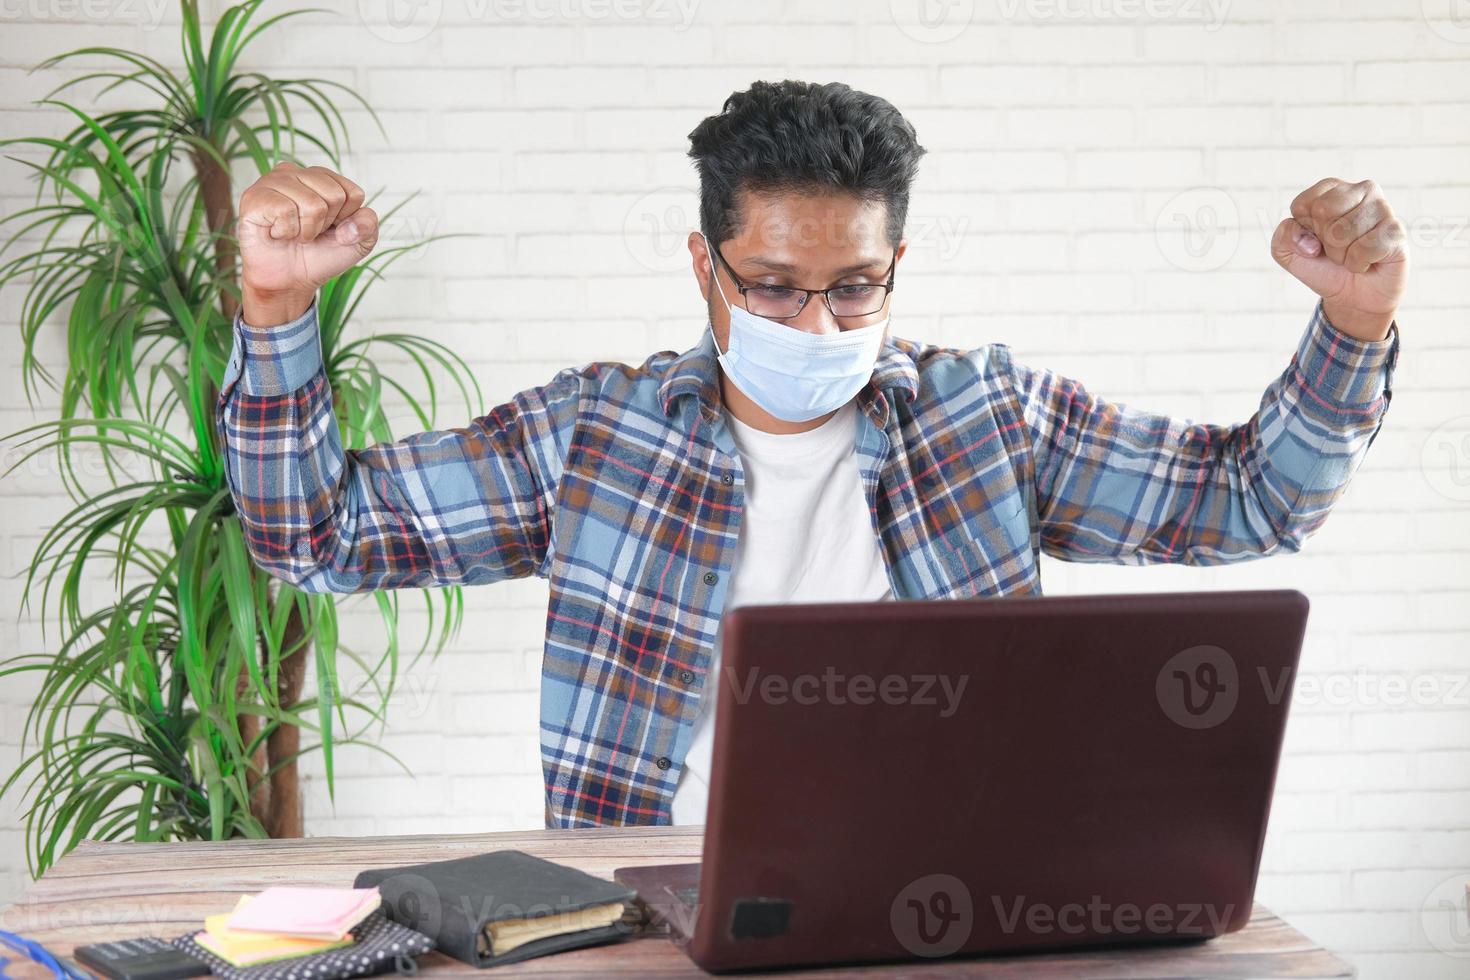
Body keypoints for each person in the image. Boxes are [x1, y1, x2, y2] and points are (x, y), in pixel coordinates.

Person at [219, 80, 1403, 829]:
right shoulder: (597, 438)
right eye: (775, 289)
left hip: (947, 901)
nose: (820, 324)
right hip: (651, 909)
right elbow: (318, 535)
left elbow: (1254, 499)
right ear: (704, 265)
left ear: (899, 268)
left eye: (855, 287)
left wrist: (1354, 324)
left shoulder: (983, 418)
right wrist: (272, 312)